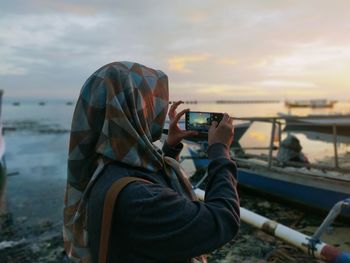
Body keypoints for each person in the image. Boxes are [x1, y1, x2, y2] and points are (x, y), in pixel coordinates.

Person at [64, 61, 240, 263]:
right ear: (135, 109)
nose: (162, 110)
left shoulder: (105, 167)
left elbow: (148, 181)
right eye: (153, 101)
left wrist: (171, 147)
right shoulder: (138, 199)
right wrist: (220, 150)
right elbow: (222, 221)